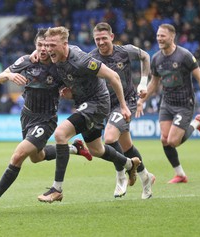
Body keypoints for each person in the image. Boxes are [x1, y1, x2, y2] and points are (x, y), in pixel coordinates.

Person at [0, 28, 92, 212]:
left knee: (18, 155)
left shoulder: (58, 65)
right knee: (36, 158)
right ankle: (74, 148)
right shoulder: (26, 60)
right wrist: (10, 75)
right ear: (35, 46)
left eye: (46, 45)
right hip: (27, 115)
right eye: (40, 45)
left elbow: (74, 79)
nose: (43, 49)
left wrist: (71, 93)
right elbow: (0, 78)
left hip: (46, 119)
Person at [36, 26, 141, 203]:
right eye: (46, 45)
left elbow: (113, 76)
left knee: (61, 134)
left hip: (97, 103)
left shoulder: (81, 60)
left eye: (52, 45)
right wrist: (70, 92)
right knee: (96, 149)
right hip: (84, 104)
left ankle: (57, 189)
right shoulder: (56, 58)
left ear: (64, 44)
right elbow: (42, 55)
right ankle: (130, 164)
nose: (48, 49)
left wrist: (123, 106)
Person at [136, 24, 200, 184]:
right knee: (164, 139)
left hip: (185, 103)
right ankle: (181, 175)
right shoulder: (156, 58)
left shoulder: (184, 56)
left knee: (173, 141)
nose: (159, 39)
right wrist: (141, 100)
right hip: (167, 103)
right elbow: (154, 84)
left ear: (172, 37)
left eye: (162, 36)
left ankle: (197, 123)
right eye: (157, 36)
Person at [89, 22, 155, 199]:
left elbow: (146, 56)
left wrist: (143, 82)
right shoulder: (91, 58)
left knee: (109, 138)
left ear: (111, 37)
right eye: (97, 39)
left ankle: (120, 177)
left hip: (127, 102)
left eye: (104, 38)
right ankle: (146, 177)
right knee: (127, 147)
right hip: (105, 105)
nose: (101, 42)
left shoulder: (125, 51)